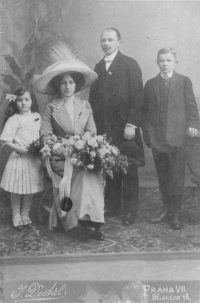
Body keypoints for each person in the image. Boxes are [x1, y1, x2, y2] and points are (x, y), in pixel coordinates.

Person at [34, 43, 105, 241]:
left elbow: (92, 132)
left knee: (91, 171)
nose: (67, 87)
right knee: (80, 173)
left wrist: (86, 148)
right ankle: (76, 223)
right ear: (59, 85)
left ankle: (93, 221)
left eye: (71, 83)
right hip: (59, 158)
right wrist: (63, 149)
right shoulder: (51, 107)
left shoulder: (85, 106)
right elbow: (46, 137)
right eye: (63, 83)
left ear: (77, 85)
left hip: (82, 155)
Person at [89, 28, 144, 226]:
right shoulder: (97, 67)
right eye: (103, 40)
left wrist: (131, 124)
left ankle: (129, 211)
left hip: (126, 129)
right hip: (105, 128)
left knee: (128, 169)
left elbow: (138, 98)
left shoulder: (130, 64)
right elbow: (93, 100)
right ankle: (112, 206)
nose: (106, 43)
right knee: (110, 168)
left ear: (119, 42)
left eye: (110, 40)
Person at [142, 47, 199, 230]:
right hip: (158, 140)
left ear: (175, 61)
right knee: (163, 177)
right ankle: (166, 210)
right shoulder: (151, 84)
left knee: (176, 177)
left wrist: (192, 126)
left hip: (178, 139)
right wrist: (150, 137)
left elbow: (191, 108)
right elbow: (146, 113)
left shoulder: (184, 81)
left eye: (168, 60)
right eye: (161, 61)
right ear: (157, 62)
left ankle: (177, 214)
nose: (165, 64)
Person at [0, 87, 44, 230]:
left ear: (32, 101)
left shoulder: (37, 116)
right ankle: (16, 215)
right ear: (15, 102)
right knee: (17, 189)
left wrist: (40, 148)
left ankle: (25, 214)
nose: (23, 103)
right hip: (19, 159)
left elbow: (42, 135)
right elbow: (5, 141)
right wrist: (23, 150)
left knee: (30, 188)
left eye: (27, 99)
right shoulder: (14, 119)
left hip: (33, 159)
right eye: (20, 100)